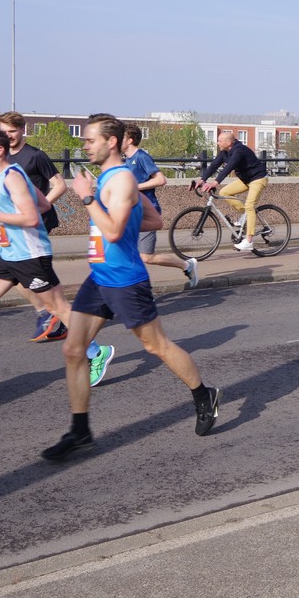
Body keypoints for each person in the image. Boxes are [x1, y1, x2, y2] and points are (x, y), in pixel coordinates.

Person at [44, 115, 221, 460]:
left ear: (111, 142)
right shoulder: (109, 178)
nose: (85, 146)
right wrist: (113, 209)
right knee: (73, 350)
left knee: (157, 346)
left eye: (90, 140)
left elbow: (112, 232)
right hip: (100, 277)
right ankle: (80, 431)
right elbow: (153, 220)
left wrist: (87, 199)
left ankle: (204, 395)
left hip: (125, 280)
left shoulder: (123, 179)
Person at [0, 131, 113, 393]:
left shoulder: (12, 177)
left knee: (58, 308)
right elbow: (43, 205)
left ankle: (96, 352)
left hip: (30, 256)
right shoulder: (7, 176)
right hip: (8, 253)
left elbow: (31, 218)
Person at [0, 111, 70, 342]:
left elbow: (60, 185)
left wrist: (41, 206)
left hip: (37, 222)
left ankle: (53, 315)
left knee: (24, 273)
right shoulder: (2, 157)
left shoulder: (36, 156)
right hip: (15, 224)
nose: (8, 136)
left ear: (22, 130)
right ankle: (52, 314)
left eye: (12, 131)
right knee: (22, 274)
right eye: (3, 132)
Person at [122, 124, 199, 287]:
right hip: (132, 212)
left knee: (146, 257)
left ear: (129, 140)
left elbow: (161, 179)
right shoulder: (126, 160)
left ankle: (187, 265)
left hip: (147, 213)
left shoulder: (141, 157)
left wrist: (135, 187)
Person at [197, 131, 269, 251]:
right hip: (246, 179)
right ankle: (246, 215)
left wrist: (215, 182)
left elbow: (229, 167)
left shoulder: (239, 150)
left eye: (220, 141)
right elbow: (214, 165)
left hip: (258, 178)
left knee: (250, 205)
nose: (217, 143)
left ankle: (249, 241)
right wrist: (202, 180)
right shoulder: (224, 152)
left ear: (229, 142)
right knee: (224, 192)